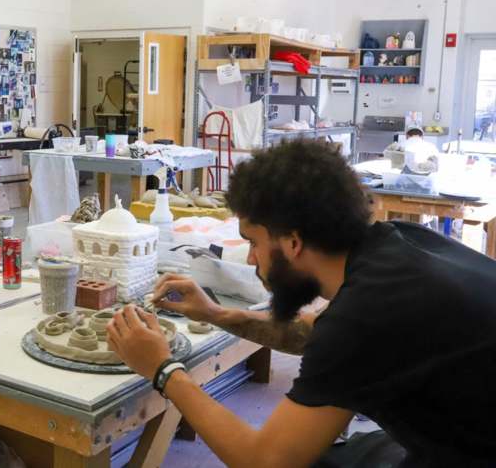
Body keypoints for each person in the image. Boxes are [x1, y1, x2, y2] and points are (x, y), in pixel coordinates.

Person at [107, 139, 496, 467]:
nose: (251, 259)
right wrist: (216, 314)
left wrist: (163, 369)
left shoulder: (368, 313)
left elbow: (264, 460)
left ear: (292, 242)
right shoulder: (395, 247)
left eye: (254, 242)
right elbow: (311, 334)